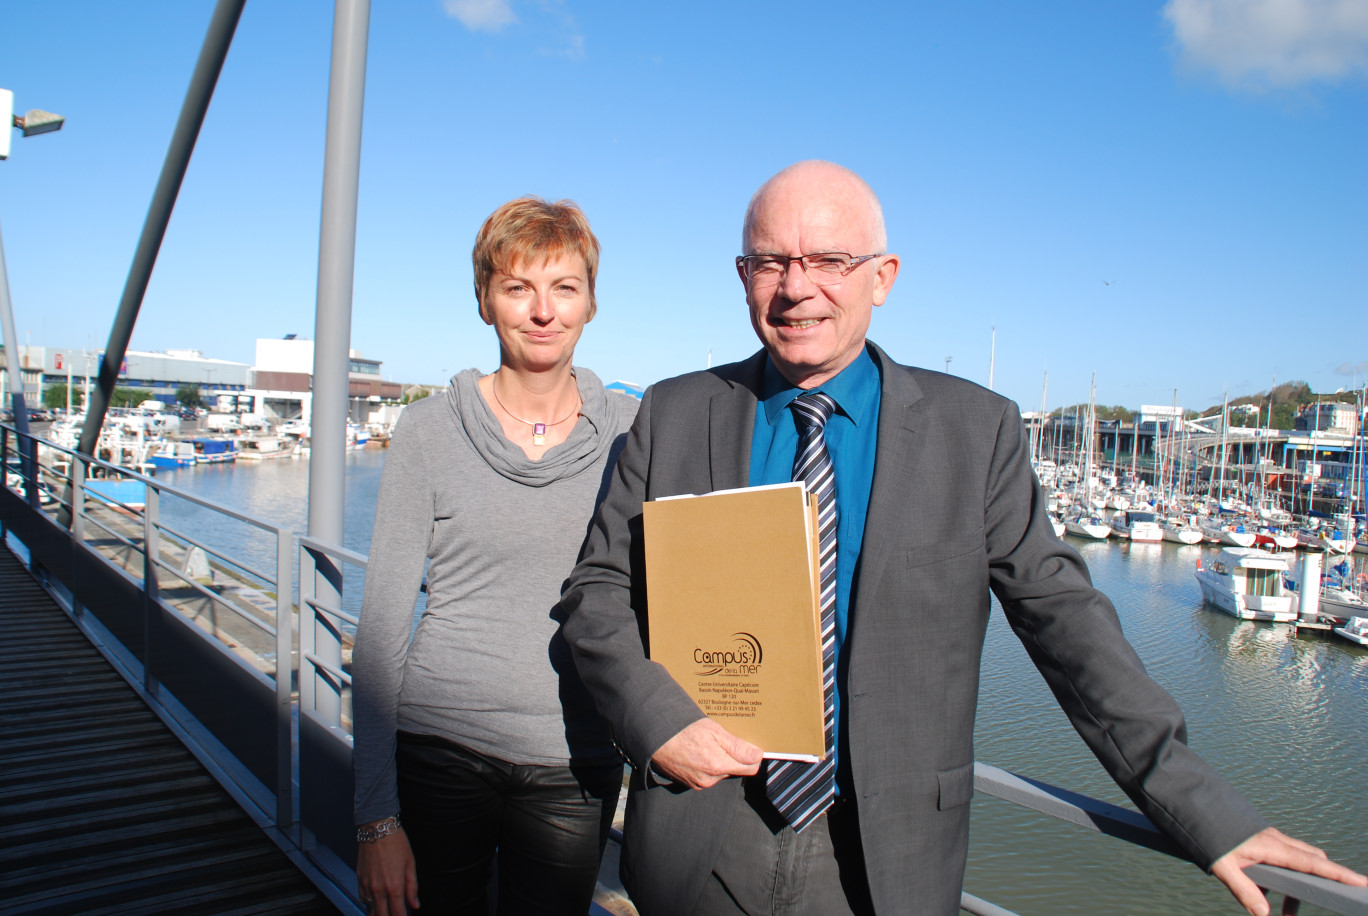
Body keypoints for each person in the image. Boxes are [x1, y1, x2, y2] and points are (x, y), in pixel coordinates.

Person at [559, 161, 1366, 916]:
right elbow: (596, 597)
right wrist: (659, 720)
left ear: (885, 277)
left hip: (884, 860)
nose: (795, 287)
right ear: (742, 277)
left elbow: (1068, 626)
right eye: (768, 262)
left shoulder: (974, 432)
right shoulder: (674, 412)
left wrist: (1205, 810)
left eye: (828, 259)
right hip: (701, 839)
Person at [351, 196, 639, 915]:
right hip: (439, 750)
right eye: (518, 287)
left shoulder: (634, 434)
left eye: (564, 287)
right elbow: (384, 627)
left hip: (575, 759)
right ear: (485, 301)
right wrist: (376, 820)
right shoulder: (426, 431)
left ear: (590, 303)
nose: (543, 311)